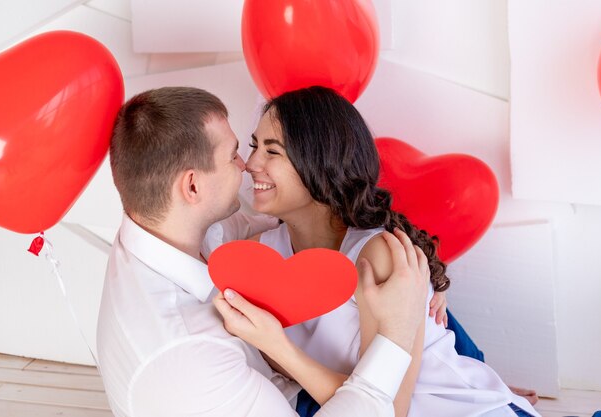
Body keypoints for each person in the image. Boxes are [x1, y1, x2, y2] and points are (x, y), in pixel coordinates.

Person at [96, 86, 431, 417]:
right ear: (193, 186)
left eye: (268, 151)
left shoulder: (184, 233)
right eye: (235, 154)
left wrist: (430, 285)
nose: (248, 164)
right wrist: (399, 332)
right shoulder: (190, 356)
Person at [216, 86, 540, 417]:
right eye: (255, 146)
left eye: (272, 151)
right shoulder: (258, 255)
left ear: (320, 161)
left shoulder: (377, 257)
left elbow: (390, 409)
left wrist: (277, 347)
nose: (251, 163)